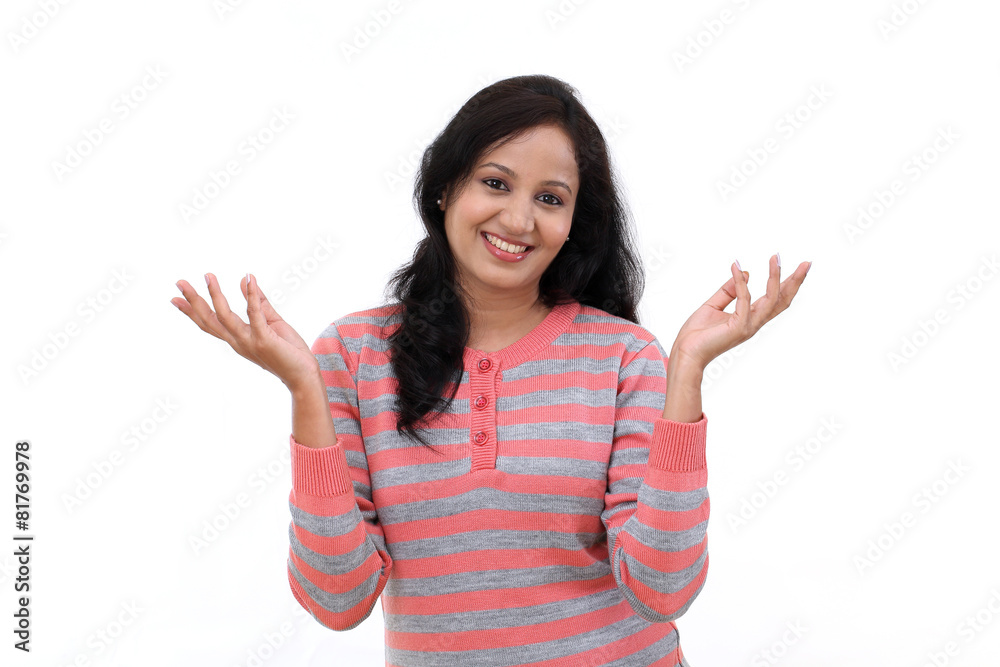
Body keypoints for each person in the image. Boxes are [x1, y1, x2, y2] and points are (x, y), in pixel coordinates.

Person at [171, 74, 811, 666]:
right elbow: (337, 601)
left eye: (550, 198)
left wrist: (687, 372)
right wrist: (303, 388)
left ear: (571, 224)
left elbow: (663, 588)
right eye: (496, 183)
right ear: (446, 186)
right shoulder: (352, 354)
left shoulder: (626, 358)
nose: (518, 220)